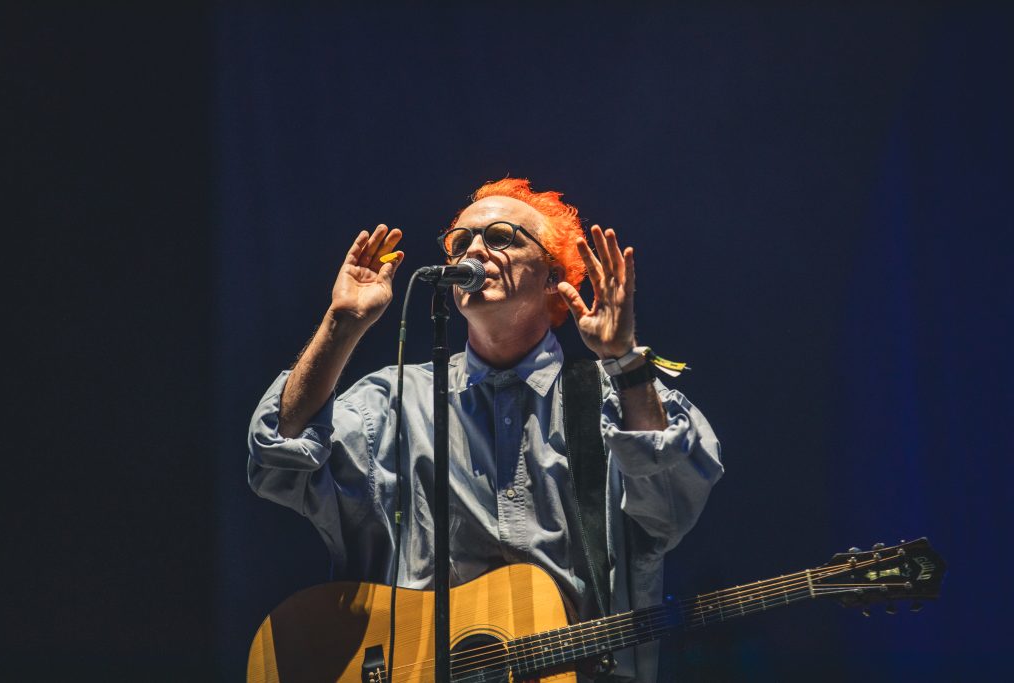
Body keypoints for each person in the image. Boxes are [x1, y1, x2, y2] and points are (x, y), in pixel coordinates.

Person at [247, 178, 723, 681]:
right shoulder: (393, 400)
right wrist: (342, 323)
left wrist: (626, 363)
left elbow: (670, 508)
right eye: (459, 242)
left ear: (554, 276)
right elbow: (277, 461)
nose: (473, 249)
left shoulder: (611, 400)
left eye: (501, 237)